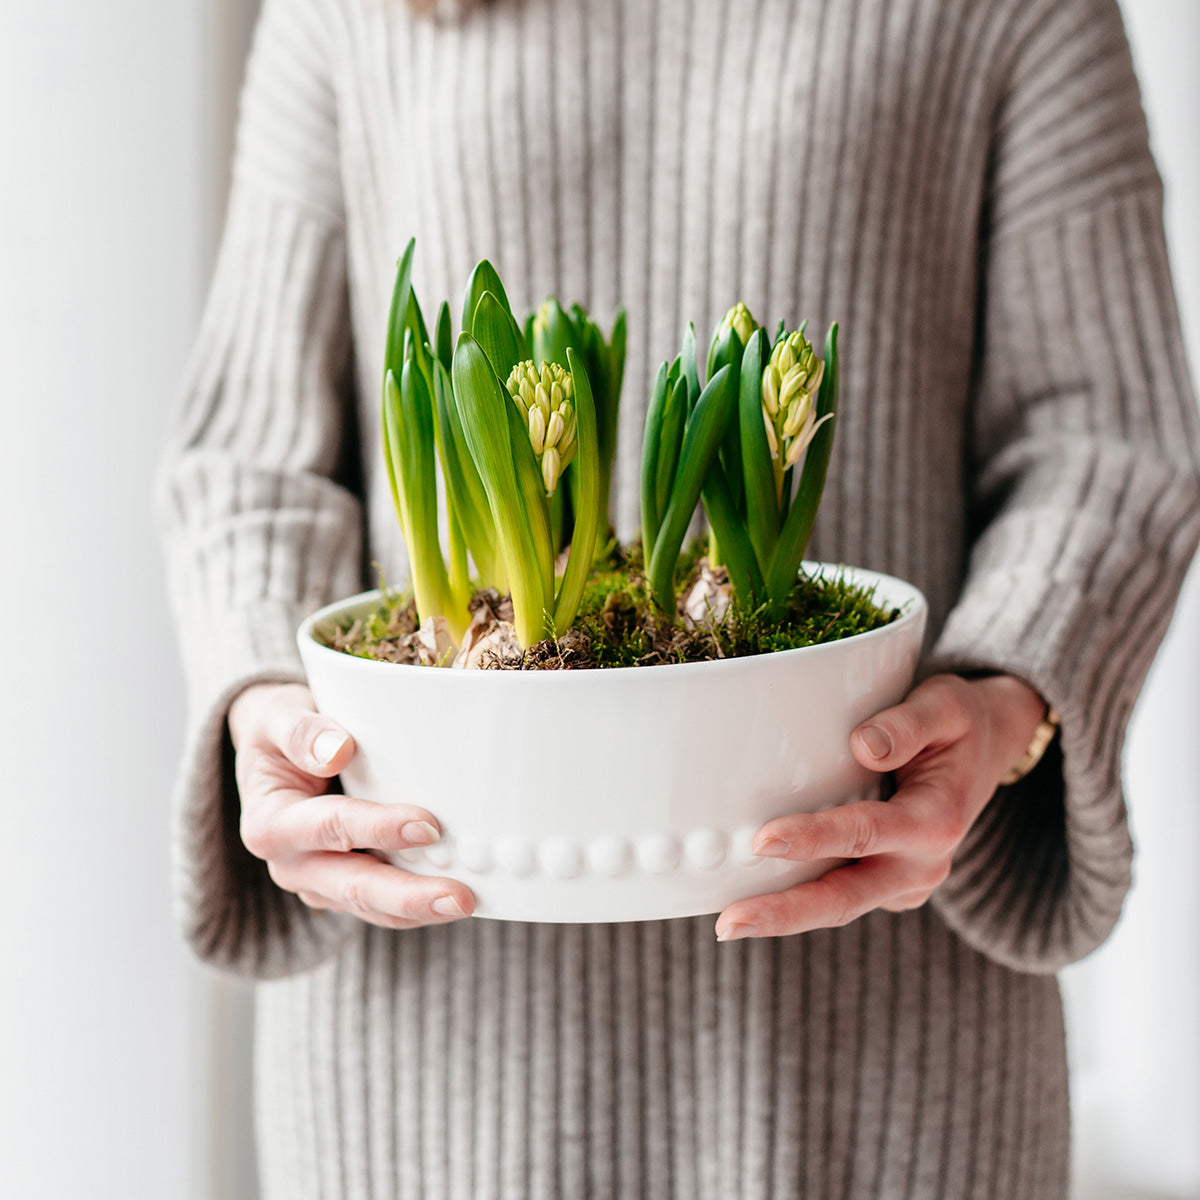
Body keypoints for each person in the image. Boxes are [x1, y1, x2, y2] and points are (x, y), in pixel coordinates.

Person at [156, 0, 1200, 1196]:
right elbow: (251, 457)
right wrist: (271, 706)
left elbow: (1109, 438)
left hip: (888, 1043)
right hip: (433, 1059)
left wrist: (1009, 698)